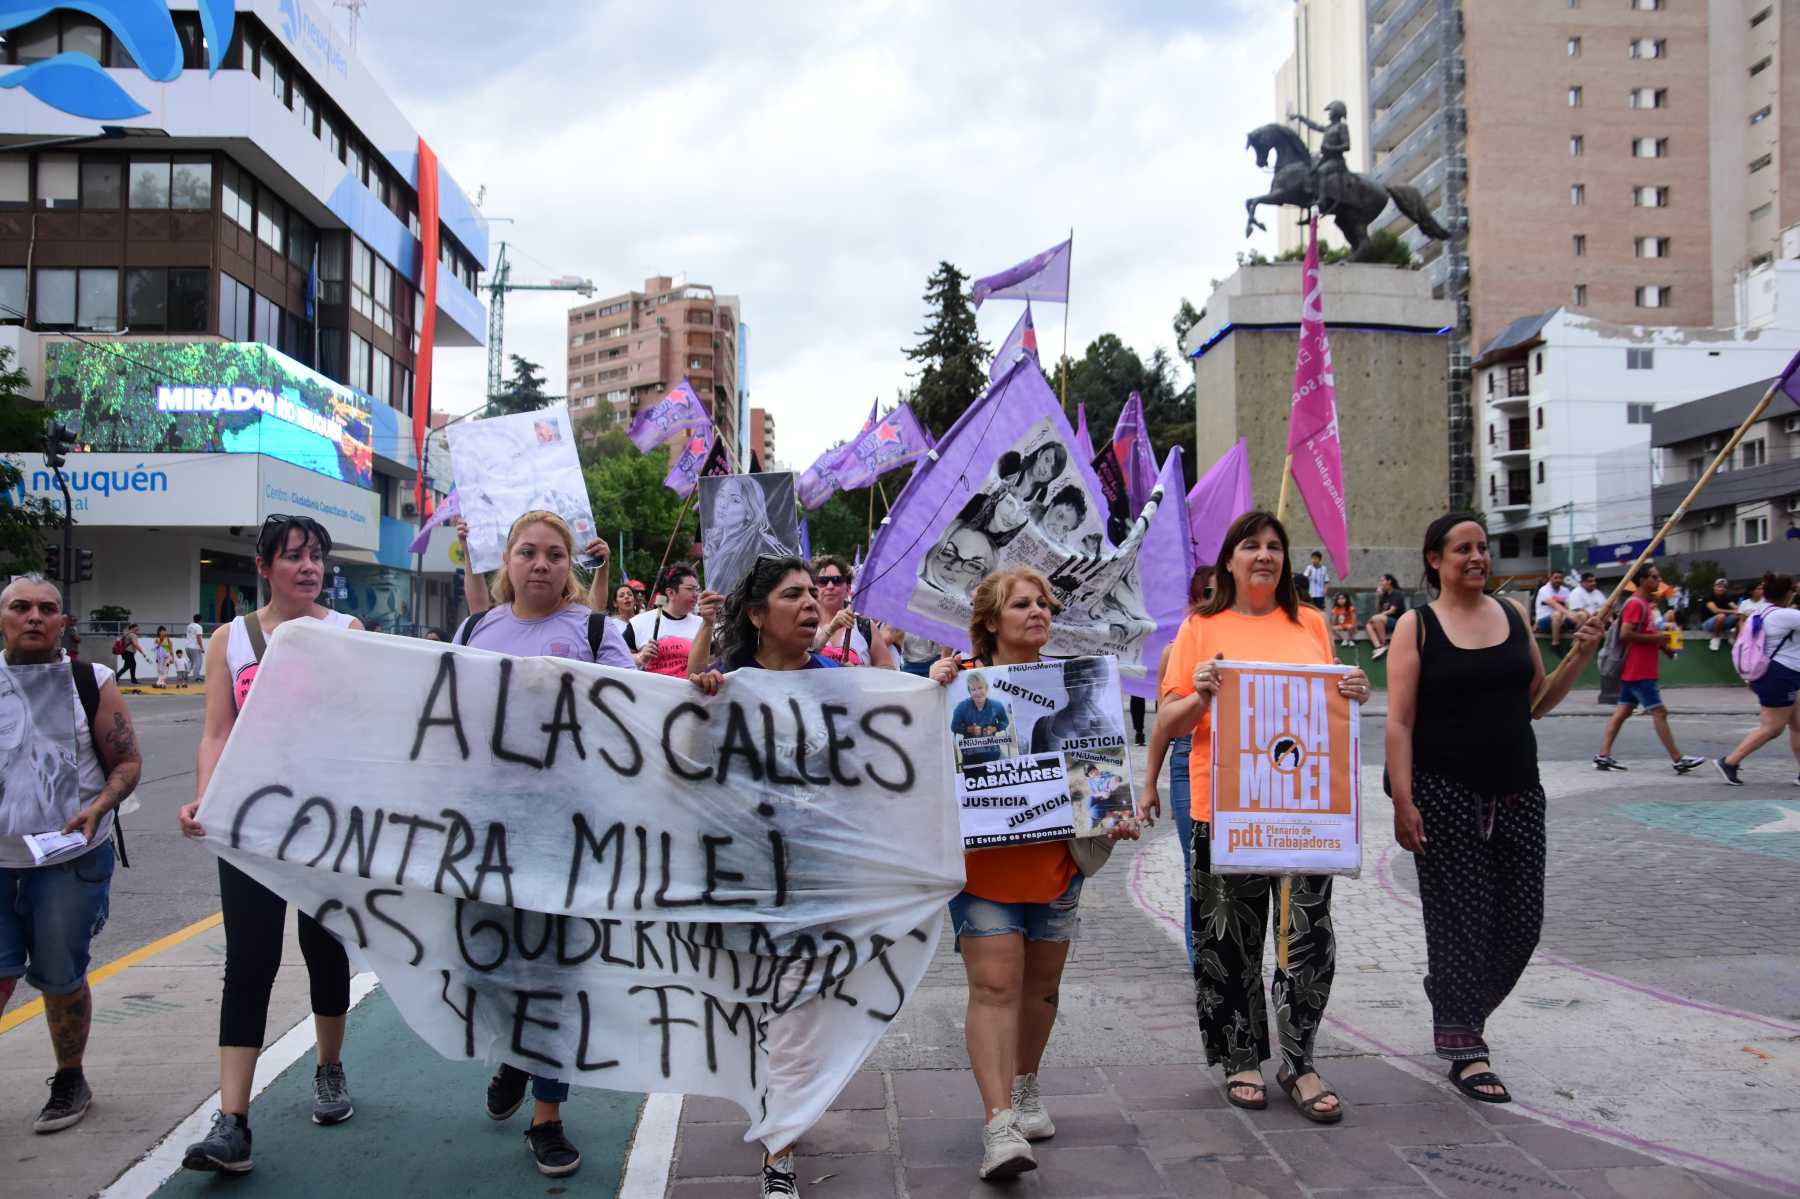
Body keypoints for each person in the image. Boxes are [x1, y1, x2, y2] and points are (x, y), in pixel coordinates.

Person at [1151, 511, 1369, 1123]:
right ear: (1229, 560)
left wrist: (1354, 695)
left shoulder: (1313, 624)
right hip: (1222, 809)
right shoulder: (1200, 628)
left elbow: (1329, 705)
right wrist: (1200, 693)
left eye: (1275, 545)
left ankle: (1300, 1059)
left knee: (1306, 936)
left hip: (1305, 810)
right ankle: (1240, 1057)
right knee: (1229, 939)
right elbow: (1169, 724)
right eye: (1251, 545)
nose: (1265, 555)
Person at [1384, 514, 1606, 1104]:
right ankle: (1466, 1049)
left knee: (1521, 925)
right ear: (1435, 560)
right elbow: (1400, 720)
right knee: (1462, 923)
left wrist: (1579, 659)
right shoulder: (1418, 626)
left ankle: (1453, 999)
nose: (1478, 557)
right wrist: (1403, 801)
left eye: (1483, 547)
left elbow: (1536, 700)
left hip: (1518, 791)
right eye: (1464, 548)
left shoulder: (1511, 616)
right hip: (1443, 792)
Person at [926, 566, 1138, 1182]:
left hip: (1056, 868)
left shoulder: (1081, 687)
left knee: (1040, 991)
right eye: (1022, 604)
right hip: (983, 871)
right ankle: (998, 1125)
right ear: (991, 621)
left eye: (1044, 603)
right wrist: (930, 691)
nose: (1038, 611)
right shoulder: (956, 686)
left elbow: (1099, 781)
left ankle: (1024, 1088)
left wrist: (1114, 814)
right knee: (995, 987)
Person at [176, 515, 366, 1174]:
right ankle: (233, 1120)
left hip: (322, 829)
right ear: (264, 566)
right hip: (251, 829)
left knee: (324, 946)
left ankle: (330, 1066)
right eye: (293, 556)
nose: (309, 567)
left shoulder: (347, 634)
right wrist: (207, 797)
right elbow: (216, 732)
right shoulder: (230, 640)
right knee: (249, 960)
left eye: (316, 556)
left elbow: (364, 728)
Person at [449, 509, 632, 1177]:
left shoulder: (593, 631)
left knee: (552, 974)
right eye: (528, 551)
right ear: (508, 561)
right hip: (485, 827)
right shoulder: (474, 629)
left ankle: (548, 1116)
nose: (542, 564)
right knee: (483, 965)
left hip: (564, 829)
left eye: (555, 554)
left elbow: (636, 708)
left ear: (570, 566)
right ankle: (517, 1052)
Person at [687, 557, 841, 1198]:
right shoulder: (730, 687)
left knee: (799, 1009)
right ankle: (778, 1103)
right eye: (793, 595)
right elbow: (689, 764)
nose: (811, 604)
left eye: (815, 594)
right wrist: (701, 706)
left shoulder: (842, 685)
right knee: (753, 1007)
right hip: (740, 878)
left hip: (814, 882)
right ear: (756, 615)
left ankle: (779, 1157)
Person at [0, 574, 142, 1134]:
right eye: (20, 607)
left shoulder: (92, 680)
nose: (34, 616)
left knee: (60, 977)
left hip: (67, 861)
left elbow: (127, 764)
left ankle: (70, 1078)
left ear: (63, 621)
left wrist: (99, 807)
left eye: (46, 608)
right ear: (3, 616)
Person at [1141, 566, 1214, 968]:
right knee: (1195, 870)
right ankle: (1199, 966)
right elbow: (1163, 726)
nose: (1212, 601)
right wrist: (1150, 784)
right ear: (1192, 599)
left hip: (1236, 757)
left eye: (1222, 592)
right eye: (1206, 593)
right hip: (1188, 758)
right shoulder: (1176, 650)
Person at [1593, 564, 1707, 775]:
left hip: (1637, 669)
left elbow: (1648, 634)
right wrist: (1658, 639)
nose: (1658, 581)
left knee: (1622, 711)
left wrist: (1666, 648)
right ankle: (1678, 759)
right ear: (1643, 580)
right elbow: (1626, 634)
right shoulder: (1636, 604)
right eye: (1654, 577)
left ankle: (1603, 754)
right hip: (1640, 670)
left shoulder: (1645, 605)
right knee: (1659, 712)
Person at [1716, 573, 1800, 785]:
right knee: (1772, 727)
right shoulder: (1784, 616)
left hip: (1777, 673)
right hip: (1780, 675)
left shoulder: (1761, 612)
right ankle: (1730, 762)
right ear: (1787, 594)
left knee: (1798, 724)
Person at [811, 555, 895, 667]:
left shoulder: (864, 627)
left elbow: (889, 668)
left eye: (837, 581)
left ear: (848, 588)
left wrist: (860, 672)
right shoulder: (806, 625)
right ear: (814, 588)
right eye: (823, 581)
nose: (830, 586)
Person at [625, 563, 706, 676]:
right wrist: (640, 657)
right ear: (670, 593)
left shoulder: (703, 625)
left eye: (697, 589)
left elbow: (712, 662)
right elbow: (618, 659)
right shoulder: (638, 623)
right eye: (690, 589)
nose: (696, 594)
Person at [1290, 99, 1352, 215]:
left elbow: (1347, 146)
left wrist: (1330, 148)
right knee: (1310, 170)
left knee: (1321, 171)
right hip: (1326, 159)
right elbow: (1315, 126)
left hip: (1336, 161)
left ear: (1336, 113)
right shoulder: (1328, 128)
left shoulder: (1342, 127)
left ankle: (1322, 200)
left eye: (1330, 111)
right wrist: (1300, 118)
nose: (1329, 114)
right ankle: (1311, 199)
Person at [950, 670, 1012, 766]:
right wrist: (969, 729)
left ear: (986, 688)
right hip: (970, 754)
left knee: (1010, 766)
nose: (977, 692)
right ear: (969, 691)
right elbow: (954, 727)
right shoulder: (961, 707)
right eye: (973, 689)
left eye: (980, 688)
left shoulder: (997, 705)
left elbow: (1005, 721)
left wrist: (995, 728)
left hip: (993, 751)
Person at [1533, 569, 1575, 651]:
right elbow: (1554, 604)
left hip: (1562, 620)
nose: (1558, 580)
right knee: (1557, 614)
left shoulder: (1565, 590)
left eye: (1560, 578)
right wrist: (1568, 614)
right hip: (1544, 622)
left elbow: (1568, 606)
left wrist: (1569, 615)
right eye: (1556, 578)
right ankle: (1555, 644)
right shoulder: (1544, 590)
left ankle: (1573, 645)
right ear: (1550, 578)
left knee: (1582, 615)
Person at [1366, 574, 1406, 658]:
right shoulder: (1384, 595)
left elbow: (1392, 610)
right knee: (1368, 625)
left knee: (1376, 618)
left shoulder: (1397, 593)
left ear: (1389, 581)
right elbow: (1378, 610)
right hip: (1385, 622)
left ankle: (1383, 643)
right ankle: (1378, 647)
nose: (1381, 583)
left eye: (1382, 580)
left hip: (1398, 622)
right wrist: (1377, 597)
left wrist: (1376, 617)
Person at [1702, 578, 1739, 650]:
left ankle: (1733, 638)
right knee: (1721, 616)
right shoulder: (1708, 597)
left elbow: (1737, 609)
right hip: (1708, 624)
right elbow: (1715, 610)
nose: (1721, 589)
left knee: (1739, 615)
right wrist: (1733, 611)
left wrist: (1740, 610)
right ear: (1714, 587)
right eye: (1719, 586)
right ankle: (1716, 638)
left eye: (1723, 587)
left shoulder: (1726, 597)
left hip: (1722, 623)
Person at [186, 613, 206, 683]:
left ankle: (184, 674)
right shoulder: (198, 627)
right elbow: (198, 637)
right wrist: (202, 647)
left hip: (187, 646)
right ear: (200, 620)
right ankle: (197, 677)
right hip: (195, 647)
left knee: (191, 661)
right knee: (198, 662)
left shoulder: (189, 626)